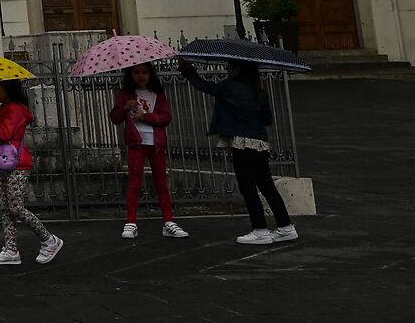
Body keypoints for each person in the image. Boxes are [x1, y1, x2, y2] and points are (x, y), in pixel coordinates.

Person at [180, 57, 297, 244]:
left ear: (237, 69)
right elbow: (267, 119)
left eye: (230, 66)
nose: (227, 69)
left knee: (248, 187)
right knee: (267, 186)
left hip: (242, 143)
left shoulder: (230, 87)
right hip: (260, 143)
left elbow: (204, 85)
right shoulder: (259, 90)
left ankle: (260, 230)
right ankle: (285, 226)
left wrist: (186, 68)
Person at [0, 79, 62, 266]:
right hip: (5, 162)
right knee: (5, 207)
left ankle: (49, 240)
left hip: (18, 164)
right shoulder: (2, 109)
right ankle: (11, 249)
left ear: (8, 90)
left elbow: (6, 133)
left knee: (15, 207)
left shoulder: (15, 109)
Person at [110, 63, 186, 240]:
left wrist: (146, 117)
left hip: (156, 144)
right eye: (137, 72)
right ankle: (131, 223)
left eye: (144, 72)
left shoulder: (157, 95)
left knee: (161, 183)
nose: (141, 76)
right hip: (136, 144)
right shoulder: (125, 95)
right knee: (135, 183)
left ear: (150, 74)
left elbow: (166, 117)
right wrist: (124, 109)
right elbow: (114, 118)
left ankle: (168, 221)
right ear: (131, 75)